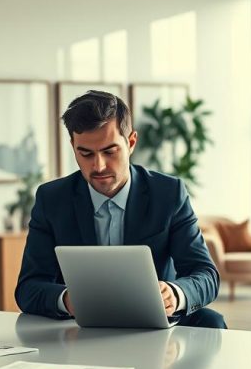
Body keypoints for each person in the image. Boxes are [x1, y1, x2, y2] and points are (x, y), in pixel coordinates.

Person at [15, 90, 225, 329]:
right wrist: (67, 300)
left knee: (211, 321)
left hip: (157, 323)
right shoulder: (51, 199)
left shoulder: (168, 194)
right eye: (85, 154)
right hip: (79, 326)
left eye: (109, 151)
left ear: (131, 142)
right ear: (73, 146)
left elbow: (206, 275)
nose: (98, 165)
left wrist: (174, 294)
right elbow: (28, 288)